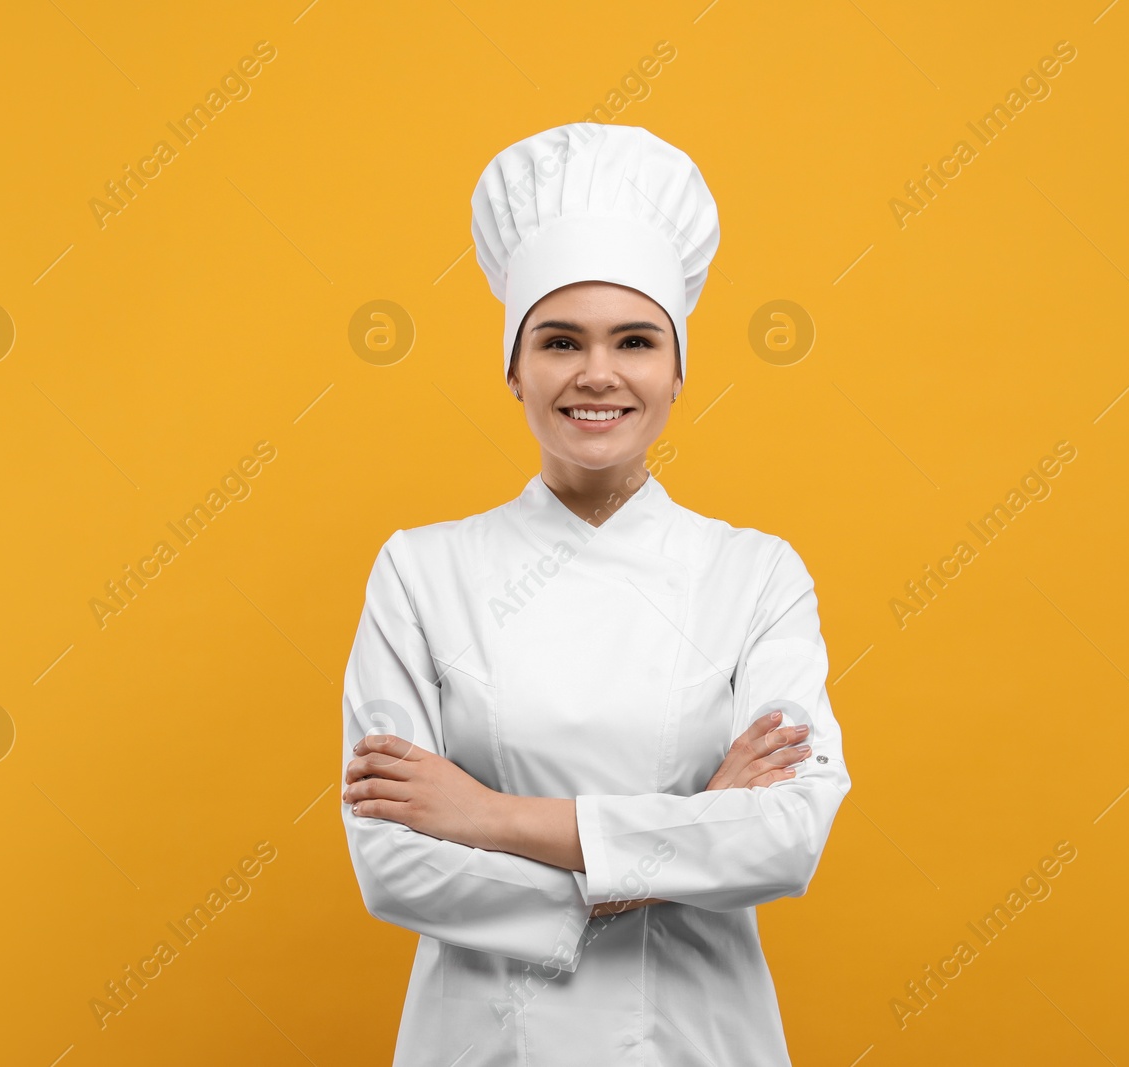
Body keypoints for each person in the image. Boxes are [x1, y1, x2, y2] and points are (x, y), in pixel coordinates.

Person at [339, 121, 851, 1066]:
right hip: (484, 1040)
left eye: (636, 340)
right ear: (514, 366)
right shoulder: (420, 571)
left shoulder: (756, 574)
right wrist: (692, 834)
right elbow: (394, 860)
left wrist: (488, 817)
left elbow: (784, 833)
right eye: (561, 340)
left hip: (695, 1036)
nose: (598, 374)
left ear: (678, 368)